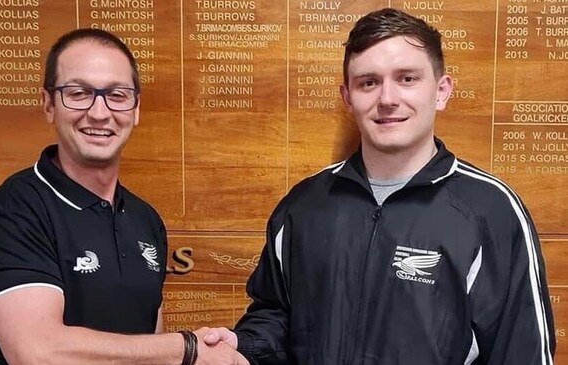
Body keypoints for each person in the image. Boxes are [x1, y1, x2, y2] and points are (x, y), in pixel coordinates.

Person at [205, 7, 556, 365]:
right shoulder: (303, 205)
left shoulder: (491, 210)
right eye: (369, 82)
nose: (387, 99)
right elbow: (275, 315)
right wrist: (241, 347)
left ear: (441, 91)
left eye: (407, 78)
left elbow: (522, 350)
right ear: (348, 97)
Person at [0, 28, 247, 365]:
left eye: (117, 94)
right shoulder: (15, 210)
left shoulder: (145, 219)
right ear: (49, 104)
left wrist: (212, 352)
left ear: (135, 108)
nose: (99, 113)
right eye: (79, 92)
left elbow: (150, 352)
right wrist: (187, 348)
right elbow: (37, 352)